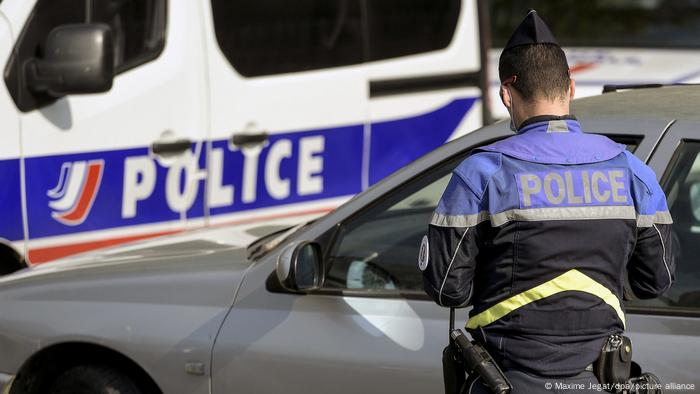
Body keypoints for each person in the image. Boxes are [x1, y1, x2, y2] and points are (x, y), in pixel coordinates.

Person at [420, 10, 675, 394]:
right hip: (602, 381)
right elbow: (658, 279)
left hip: (505, 379)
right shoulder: (632, 170)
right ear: (571, 87)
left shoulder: (483, 173)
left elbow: (446, 289)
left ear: (506, 93)